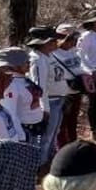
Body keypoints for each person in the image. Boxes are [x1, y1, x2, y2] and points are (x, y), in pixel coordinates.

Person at [27, 26, 70, 163]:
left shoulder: (49, 56)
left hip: (58, 100)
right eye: (53, 40)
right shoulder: (38, 60)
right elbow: (39, 86)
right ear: (45, 42)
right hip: (49, 102)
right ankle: (41, 164)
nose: (56, 43)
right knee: (45, 136)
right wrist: (44, 108)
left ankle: (50, 160)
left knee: (53, 134)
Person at [0, 47, 45, 145]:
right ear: (13, 66)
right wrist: (21, 136)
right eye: (25, 62)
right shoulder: (10, 85)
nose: (29, 63)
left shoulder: (23, 79)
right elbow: (10, 113)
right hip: (24, 131)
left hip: (34, 128)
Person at [52, 24, 88, 148]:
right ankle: (62, 150)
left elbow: (80, 66)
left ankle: (73, 147)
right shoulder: (52, 54)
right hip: (63, 93)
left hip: (76, 90)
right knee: (61, 124)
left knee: (73, 121)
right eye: (72, 39)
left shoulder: (73, 51)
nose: (74, 42)